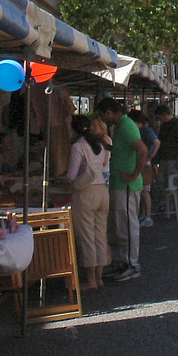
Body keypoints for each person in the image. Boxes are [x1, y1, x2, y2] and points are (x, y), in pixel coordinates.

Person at [95, 98, 148, 282]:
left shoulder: (125, 125)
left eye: (103, 116)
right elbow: (123, 150)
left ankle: (132, 264)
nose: (103, 120)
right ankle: (123, 261)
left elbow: (142, 150)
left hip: (127, 185)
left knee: (127, 225)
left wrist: (134, 174)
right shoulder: (120, 126)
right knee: (119, 225)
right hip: (120, 183)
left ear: (109, 112)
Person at [66, 114, 110, 290]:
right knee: (100, 234)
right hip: (102, 190)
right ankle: (99, 278)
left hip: (86, 193)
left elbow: (71, 175)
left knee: (86, 236)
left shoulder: (78, 147)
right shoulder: (100, 144)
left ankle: (91, 280)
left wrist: (65, 181)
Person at [127, 110, 161, 228]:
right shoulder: (143, 129)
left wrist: (151, 156)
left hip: (145, 164)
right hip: (142, 163)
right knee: (142, 191)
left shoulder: (145, 130)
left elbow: (156, 142)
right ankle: (143, 215)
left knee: (145, 191)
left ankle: (148, 216)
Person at [154, 104, 178, 218]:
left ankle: (172, 203)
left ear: (164, 115)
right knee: (161, 180)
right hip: (164, 157)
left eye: (159, 117)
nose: (159, 119)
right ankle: (164, 202)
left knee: (172, 181)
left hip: (173, 157)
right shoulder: (163, 125)